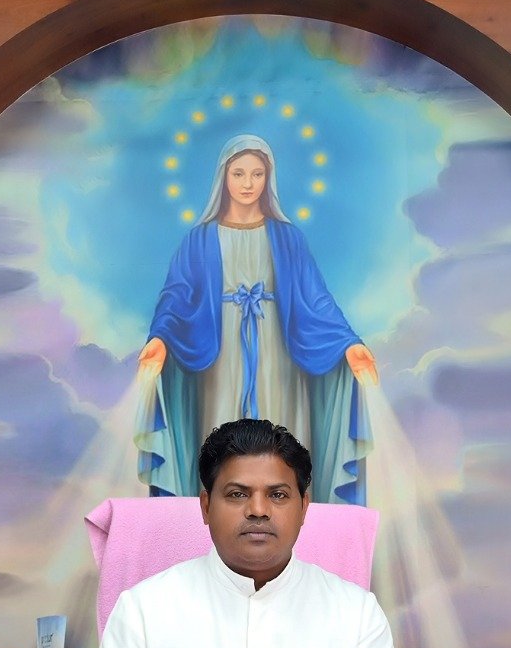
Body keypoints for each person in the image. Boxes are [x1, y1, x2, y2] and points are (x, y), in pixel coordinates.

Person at [69, 418, 416, 648]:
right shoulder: (144, 611)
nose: (258, 510)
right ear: (206, 507)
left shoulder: (355, 613)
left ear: (304, 508)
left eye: (278, 495)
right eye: (237, 494)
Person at [134, 134, 377, 505]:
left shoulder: (288, 238)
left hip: (278, 354)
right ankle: (222, 512)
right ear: (224, 177)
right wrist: (160, 339)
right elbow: (176, 297)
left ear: (268, 178)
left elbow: (316, 298)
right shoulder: (199, 240)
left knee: (283, 433)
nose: (248, 183)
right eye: (239, 173)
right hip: (221, 355)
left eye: (257, 174)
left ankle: (284, 510)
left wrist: (349, 343)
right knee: (220, 434)